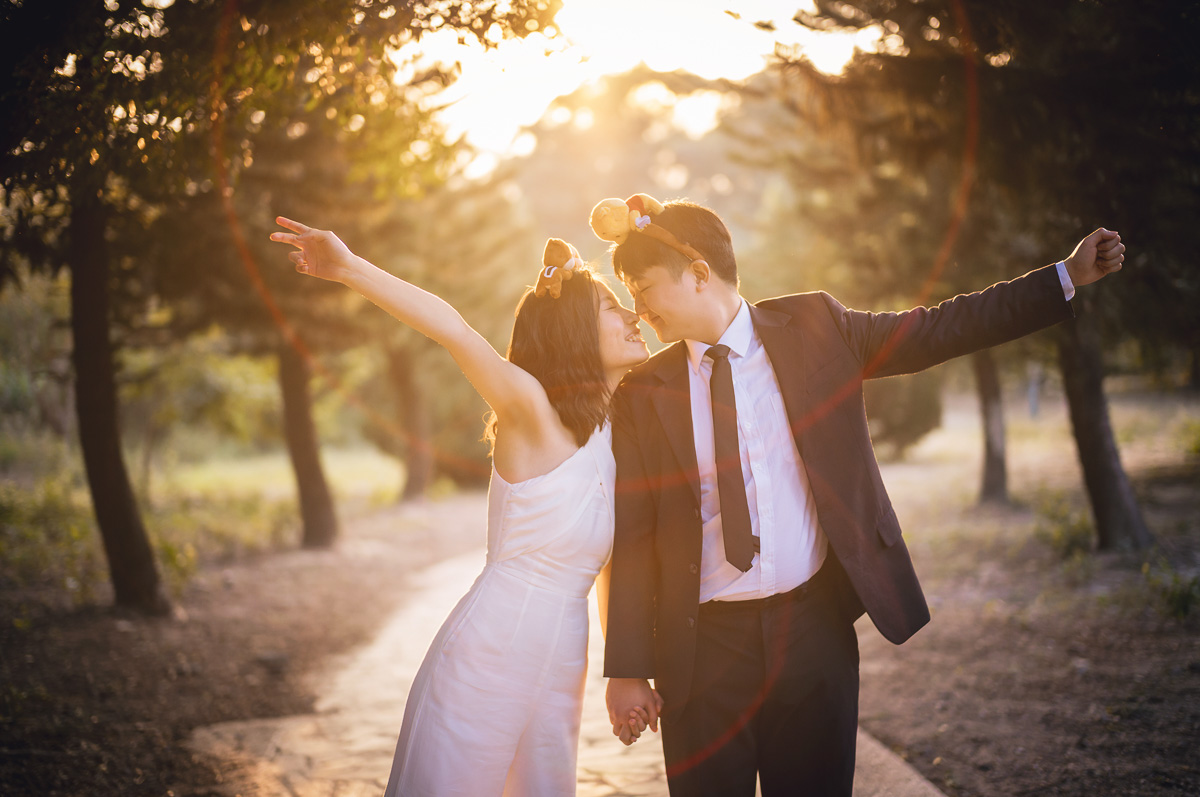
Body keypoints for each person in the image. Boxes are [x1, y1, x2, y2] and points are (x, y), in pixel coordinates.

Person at [594, 196, 1125, 796]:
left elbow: (941, 328)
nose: (638, 309)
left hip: (813, 634)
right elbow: (633, 535)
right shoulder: (642, 393)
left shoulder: (817, 328)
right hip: (703, 654)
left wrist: (1065, 277)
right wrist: (629, 669)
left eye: (642, 288)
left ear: (696, 274)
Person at [269, 217, 660, 796]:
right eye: (612, 309)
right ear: (575, 330)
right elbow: (453, 331)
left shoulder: (609, 438)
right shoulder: (530, 408)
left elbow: (605, 565)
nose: (633, 317)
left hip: (562, 656)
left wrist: (625, 673)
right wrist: (347, 267)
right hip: (491, 648)